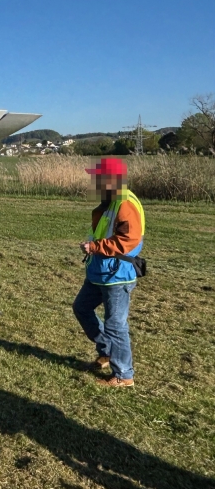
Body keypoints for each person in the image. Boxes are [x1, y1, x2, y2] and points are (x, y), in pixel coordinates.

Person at [73, 157, 145, 388]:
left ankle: (124, 375)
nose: (94, 182)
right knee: (81, 308)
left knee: (115, 325)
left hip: (117, 275)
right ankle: (107, 352)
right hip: (100, 272)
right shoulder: (110, 202)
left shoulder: (125, 203)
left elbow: (128, 240)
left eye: (97, 178)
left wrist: (95, 247)